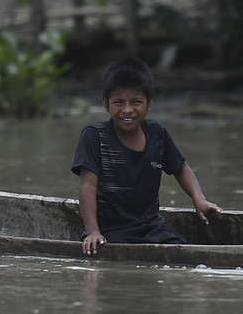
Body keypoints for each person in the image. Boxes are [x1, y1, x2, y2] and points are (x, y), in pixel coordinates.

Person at [71, 58, 221, 255]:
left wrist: (199, 200)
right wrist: (92, 231)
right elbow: (88, 186)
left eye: (136, 102)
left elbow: (181, 168)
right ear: (106, 104)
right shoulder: (95, 136)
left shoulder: (157, 133)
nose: (127, 110)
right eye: (118, 102)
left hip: (152, 229)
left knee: (189, 256)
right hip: (110, 233)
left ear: (149, 103)